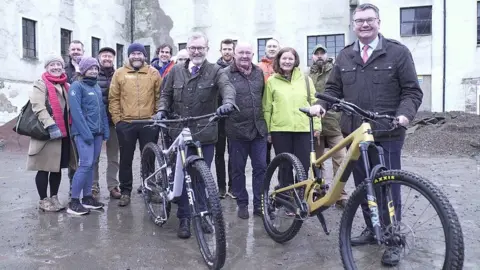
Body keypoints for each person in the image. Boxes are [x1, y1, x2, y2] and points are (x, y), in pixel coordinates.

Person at [309, 3, 423, 266]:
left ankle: (393, 239)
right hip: (356, 134)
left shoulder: (398, 52)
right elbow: (333, 88)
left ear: (379, 22)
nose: (364, 25)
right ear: (353, 25)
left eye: (369, 20)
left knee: (389, 187)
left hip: (388, 132)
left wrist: (404, 116)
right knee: (363, 186)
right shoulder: (346, 56)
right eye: (359, 21)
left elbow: (412, 91)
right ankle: (373, 230)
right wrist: (322, 105)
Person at [156, 32, 237, 239]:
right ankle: (184, 218)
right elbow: (165, 94)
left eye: (200, 48)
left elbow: (227, 88)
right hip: (179, 131)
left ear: (207, 49)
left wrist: (228, 104)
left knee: (202, 177)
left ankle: (201, 214)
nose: (196, 51)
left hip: (205, 133)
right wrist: (162, 110)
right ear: (188, 49)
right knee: (182, 177)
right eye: (193, 48)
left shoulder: (216, 71)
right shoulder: (175, 71)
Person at [262, 47, 321, 201]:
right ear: (279, 60)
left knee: (303, 165)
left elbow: (314, 103)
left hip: (303, 128)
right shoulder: (271, 81)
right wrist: (268, 131)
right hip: (280, 130)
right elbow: (267, 108)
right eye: (284, 58)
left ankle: (300, 197)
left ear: (295, 61)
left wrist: (317, 126)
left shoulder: (306, 80)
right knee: (285, 165)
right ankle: (284, 196)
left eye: (290, 58)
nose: (287, 61)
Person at [109, 43, 162, 207]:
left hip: (148, 123)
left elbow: (160, 97)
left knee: (149, 159)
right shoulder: (119, 73)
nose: (137, 56)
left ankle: (150, 189)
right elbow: (114, 98)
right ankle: (125, 192)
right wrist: (118, 120)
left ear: (145, 56)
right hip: (127, 124)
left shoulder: (153, 73)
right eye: (133, 54)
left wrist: (156, 117)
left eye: (140, 53)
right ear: (129, 56)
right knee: (126, 159)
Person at [26, 53, 76, 212]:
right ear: (47, 67)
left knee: (57, 167)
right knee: (44, 167)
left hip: (63, 135)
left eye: (58, 65)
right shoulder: (40, 84)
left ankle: (54, 197)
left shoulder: (66, 85)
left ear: (63, 67)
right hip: (46, 134)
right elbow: (38, 107)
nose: (56, 67)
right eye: (52, 65)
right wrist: (51, 126)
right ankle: (43, 199)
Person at [224, 41, 267, 219]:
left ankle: (259, 204)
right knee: (238, 169)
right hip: (236, 131)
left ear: (252, 55)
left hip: (258, 130)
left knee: (261, 168)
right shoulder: (226, 74)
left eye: (247, 53)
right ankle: (242, 202)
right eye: (241, 52)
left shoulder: (259, 73)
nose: (244, 56)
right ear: (234, 54)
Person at [307, 44, 349, 208]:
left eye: (322, 53)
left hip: (334, 124)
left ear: (327, 55)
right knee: (317, 162)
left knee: (341, 160)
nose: (319, 56)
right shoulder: (307, 75)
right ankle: (319, 190)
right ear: (312, 57)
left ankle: (340, 194)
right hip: (315, 126)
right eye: (316, 54)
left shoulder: (335, 71)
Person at [68, 57, 109, 215]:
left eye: (96, 68)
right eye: (90, 68)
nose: (93, 71)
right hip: (83, 133)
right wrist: (86, 133)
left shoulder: (97, 86)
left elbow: (102, 111)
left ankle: (87, 198)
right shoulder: (77, 86)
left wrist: (106, 130)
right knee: (85, 164)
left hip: (97, 133)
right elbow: (76, 112)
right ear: (83, 70)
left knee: (92, 164)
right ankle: (74, 201)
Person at [92, 47, 121, 200]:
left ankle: (113, 185)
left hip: (113, 122)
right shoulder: (93, 74)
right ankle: (94, 185)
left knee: (113, 156)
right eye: (104, 56)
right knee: (94, 156)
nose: (107, 59)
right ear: (99, 57)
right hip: (96, 123)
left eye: (110, 56)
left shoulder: (119, 74)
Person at [215, 38, 236, 199]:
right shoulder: (214, 69)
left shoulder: (238, 68)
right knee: (219, 153)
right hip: (219, 117)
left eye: (230, 49)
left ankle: (233, 187)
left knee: (234, 153)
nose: (227, 51)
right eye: (224, 49)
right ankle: (221, 187)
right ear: (220, 50)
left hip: (234, 116)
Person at [64, 40, 85, 196]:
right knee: (73, 155)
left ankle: (88, 187)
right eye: (73, 49)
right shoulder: (63, 69)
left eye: (78, 49)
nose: (76, 51)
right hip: (69, 118)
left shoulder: (89, 67)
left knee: (88, 155)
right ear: (69, 51)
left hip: (86, 117)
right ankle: (73, 186)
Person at [258, 38, 280, 166]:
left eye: (274, 46)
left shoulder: (284, 65)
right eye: (269, 46)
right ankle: (264, 182)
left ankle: (282, 183)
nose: (272, 49)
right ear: (265, 49)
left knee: (281, 151)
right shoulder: (258, 67)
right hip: (264, 113)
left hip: (279, 112)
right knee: (264, 152)